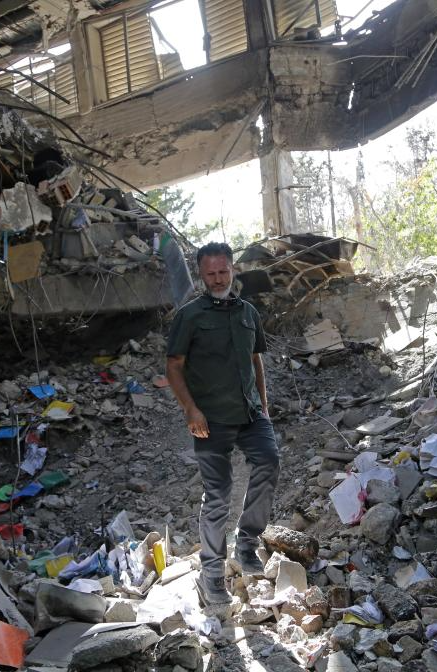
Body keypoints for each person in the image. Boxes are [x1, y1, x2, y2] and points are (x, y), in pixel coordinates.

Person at [165, 242, 280, 606]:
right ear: (201, 274)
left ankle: (246, 543)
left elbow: (255, 360)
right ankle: (212, 574)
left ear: (233, 269)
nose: (217, 279)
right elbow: (174, 366)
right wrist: (190, 410)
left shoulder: (248, 313)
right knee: (217, 495)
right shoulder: (190, 316)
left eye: (223, 272)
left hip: (250, 413)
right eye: (210, 273)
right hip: (209, 419)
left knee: (269, 461)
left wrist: (263, 405)